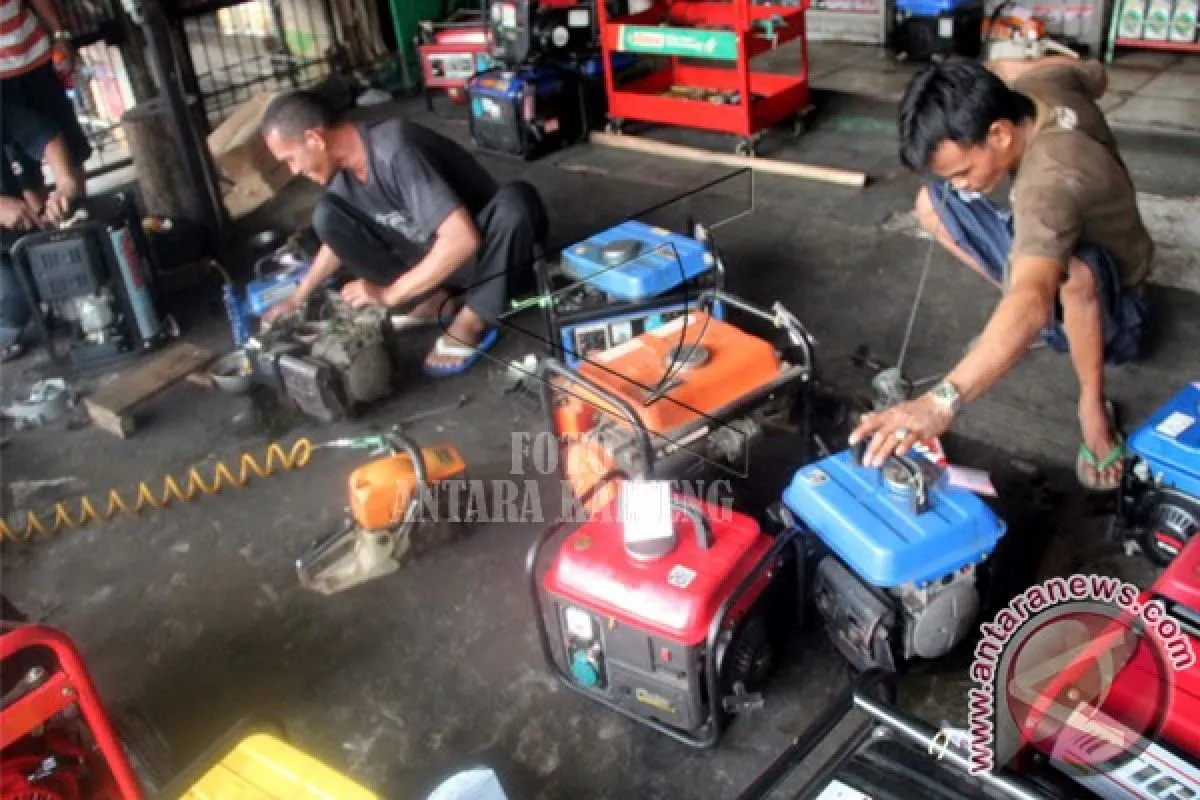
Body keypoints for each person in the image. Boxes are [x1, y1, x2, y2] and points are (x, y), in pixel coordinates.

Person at [849, 56, 1154, 491]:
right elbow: (1093, 71)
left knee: (1070, 276)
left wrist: (940, 402)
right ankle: (1018, 326)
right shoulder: (1040, 84)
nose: (961, 184)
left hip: (1120, 312)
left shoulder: (1046, 187)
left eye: (964, 171)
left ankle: (1090, 407)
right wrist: (998, 66)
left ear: (1000, 133)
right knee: (931, 205)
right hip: (1071, 232)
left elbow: (1033, 296)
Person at [259, 90, 548, 377]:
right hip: (437, 263)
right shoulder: (343, 174)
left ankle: (472, 318)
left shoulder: (395, 150)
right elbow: (335, 241)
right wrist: (299, 296)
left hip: (492, 259)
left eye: (290, 159)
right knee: (327, 216)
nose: (293, 170)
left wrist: (390, 294)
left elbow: (462, 239)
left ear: (315, 139)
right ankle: (437, 296)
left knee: (517, 202)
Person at [1, 100, 86, 361]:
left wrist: (65, 182)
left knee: (63, 267)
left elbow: (44, 135)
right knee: (13, 300)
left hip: (10, 233)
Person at [1, 0, 92, 207]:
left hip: (37, 60)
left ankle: (80, 212)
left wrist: (60, 35)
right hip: (4, 86)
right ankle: (42, 223)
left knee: (69, 149)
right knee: (25, 170)